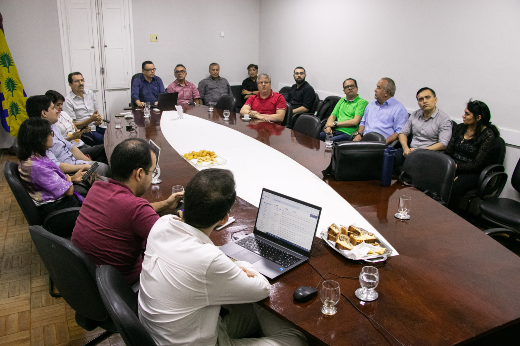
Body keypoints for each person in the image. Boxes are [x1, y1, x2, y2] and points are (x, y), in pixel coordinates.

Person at [138, 168, 308, 346]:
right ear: (224, 219)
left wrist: (228, 263)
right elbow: (262, 288)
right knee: (295, 338)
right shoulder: (207, 260)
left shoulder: (162, 224)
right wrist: (239, 264)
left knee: (250, 306)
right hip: (192, 341)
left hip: (163, 334)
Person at [71, 138, 183, 284]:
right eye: (152, 172)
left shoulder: (97, 189)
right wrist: (183, 219)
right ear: (139, 174)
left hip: (86, 280)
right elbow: (177, 244)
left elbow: (129, 213)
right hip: (122, 288)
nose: (151, 177)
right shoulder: (136, 209)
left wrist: (166, 204)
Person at [17, 118, 85, 237]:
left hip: (60, 206)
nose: (52, 136)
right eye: (50, 133)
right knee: (103, 212)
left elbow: (54, 180)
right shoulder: (36, 167)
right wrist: (68, 180)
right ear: (39, 138)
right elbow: (69, 191)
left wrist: (71, 178)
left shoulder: (36, 157)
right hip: (60, 214)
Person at [26, 95, 111, 177]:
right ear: (44, 113)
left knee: (106, 163)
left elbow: (71, 147)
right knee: (110, 171)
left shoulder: (53, 127)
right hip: (70, 172)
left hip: (75, 162)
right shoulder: (39, 138)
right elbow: (56, 166)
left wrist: (89, 163)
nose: (57, 110)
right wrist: (85, 166)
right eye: (53, 108)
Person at [445, 100, 499, 211]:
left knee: (454, 186)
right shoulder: (460, 128)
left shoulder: (488, 135)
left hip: (473, 172)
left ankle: (450, 218)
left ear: (478, 118)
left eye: (467, 114)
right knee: (433, 174)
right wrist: (448, 167)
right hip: (453, 166)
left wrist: (454, 168)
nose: (463, 116)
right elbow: (448, 151)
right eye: (464, 112)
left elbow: (477, 164)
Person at [45, 90, 108, 165]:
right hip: (73, 149)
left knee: (102, 157)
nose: (60, 107)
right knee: (104, 148)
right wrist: (71, 138)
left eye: (61, 104)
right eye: (57, 105)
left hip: (79, 143)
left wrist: (82, 130)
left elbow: (75, 128)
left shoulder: (64, 114)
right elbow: (61, 145)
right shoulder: (53, 122)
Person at [394, 87, 452, 168]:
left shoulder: (444, 119)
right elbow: (402, 133)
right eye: (420, 99)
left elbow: (443, 144)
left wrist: (419, 151)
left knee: (413, 165)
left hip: (429, 155)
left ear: (435, 100)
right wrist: (405, 148)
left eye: (427, 97)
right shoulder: (415, 114)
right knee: (388, 158)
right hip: (410, 151)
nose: (424, 101)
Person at [352, 78, 408, 144]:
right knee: (341, 149)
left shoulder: (399, 109)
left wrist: (383, 143)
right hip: (364, 141)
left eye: (378, 88)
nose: (375, 90)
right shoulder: (371, 104)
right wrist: (359, 134)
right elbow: (363, 122)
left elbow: (399, 133)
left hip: (381, 145)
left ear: (387, 92)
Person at [63, 72, 105, 145]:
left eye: (82, 80)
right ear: (70, 84)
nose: (81, 83)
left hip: (96, 127)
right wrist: (91, 120)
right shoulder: (68, 100)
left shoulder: (90, 93)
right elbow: (73, 125)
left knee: (114, 134)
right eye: (77, 81)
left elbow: (96, 112)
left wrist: (99, 120)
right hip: (84, 131)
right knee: (106, 140)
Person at [320, 78, 368, 142]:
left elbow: (355, 121)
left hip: (348, 134)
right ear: (344, 91)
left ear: (357, 88)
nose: (349, 88)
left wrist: (335, 124)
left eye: (352, 86)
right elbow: (332, 117)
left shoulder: (362, 102)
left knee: (330, 141)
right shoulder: (341, 100)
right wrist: (328, 127)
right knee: (319, 136)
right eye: (347, 87)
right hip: (335, 131)